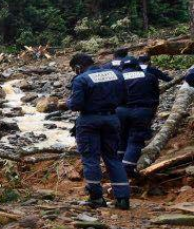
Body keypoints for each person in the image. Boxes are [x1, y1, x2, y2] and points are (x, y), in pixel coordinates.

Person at [67, 53, 130, 209]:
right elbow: (124, 99)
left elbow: (76, 105)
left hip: (89, 121)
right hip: (112, 119)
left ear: (77, 67)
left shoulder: (81, 79)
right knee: (112, 157)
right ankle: (123, 199)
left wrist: (67, 102)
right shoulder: (116, 74)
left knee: (90, 158)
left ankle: (96, 198)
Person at [117, 56, 171, 174]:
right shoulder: (150, 77)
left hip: (120, 112)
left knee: (121, 138)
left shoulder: (117, 78)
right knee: (136, 140)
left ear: (121, 67)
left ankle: (117, 168)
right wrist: (152, 113)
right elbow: (155, 97)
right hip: (142, 112)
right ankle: (127, 169)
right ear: (137, 66)